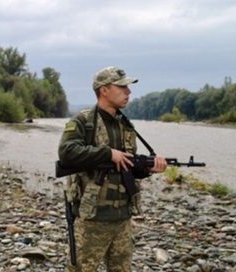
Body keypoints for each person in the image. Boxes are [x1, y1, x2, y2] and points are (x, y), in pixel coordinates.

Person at [58, 66, 167, 272]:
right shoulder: (84, 121)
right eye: (122, 87)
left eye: (128, 87)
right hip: (92, 218)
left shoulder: (125, 125)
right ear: (104, 90)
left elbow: (127, 167)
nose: (128, 92)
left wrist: (147, 168)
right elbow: (66, 152)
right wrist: (108, 153)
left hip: (122, 218)